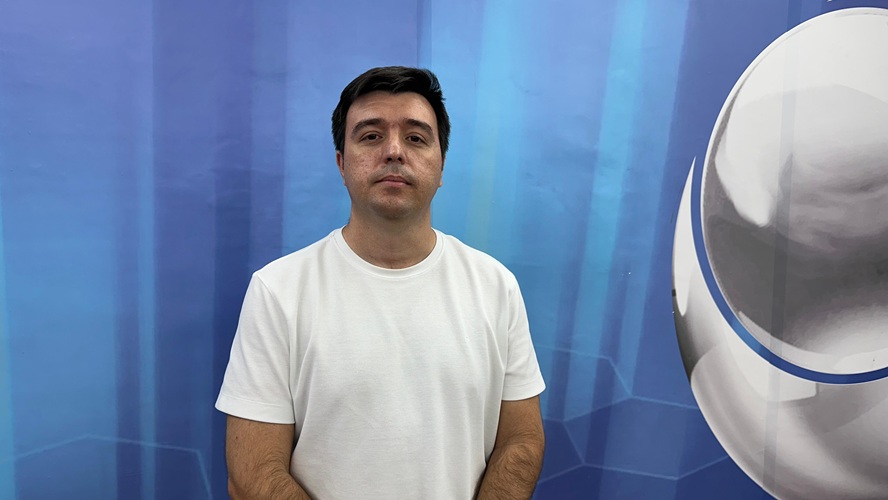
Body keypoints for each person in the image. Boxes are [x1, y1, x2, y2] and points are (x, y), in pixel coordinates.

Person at [216, 66, 546, 499]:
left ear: (441, 164)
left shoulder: (496, 287)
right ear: (341, 163)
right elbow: (252, 472)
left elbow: (522, 442)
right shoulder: (278, 290)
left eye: (416, 138)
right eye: (371, 136)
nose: (393, 151)